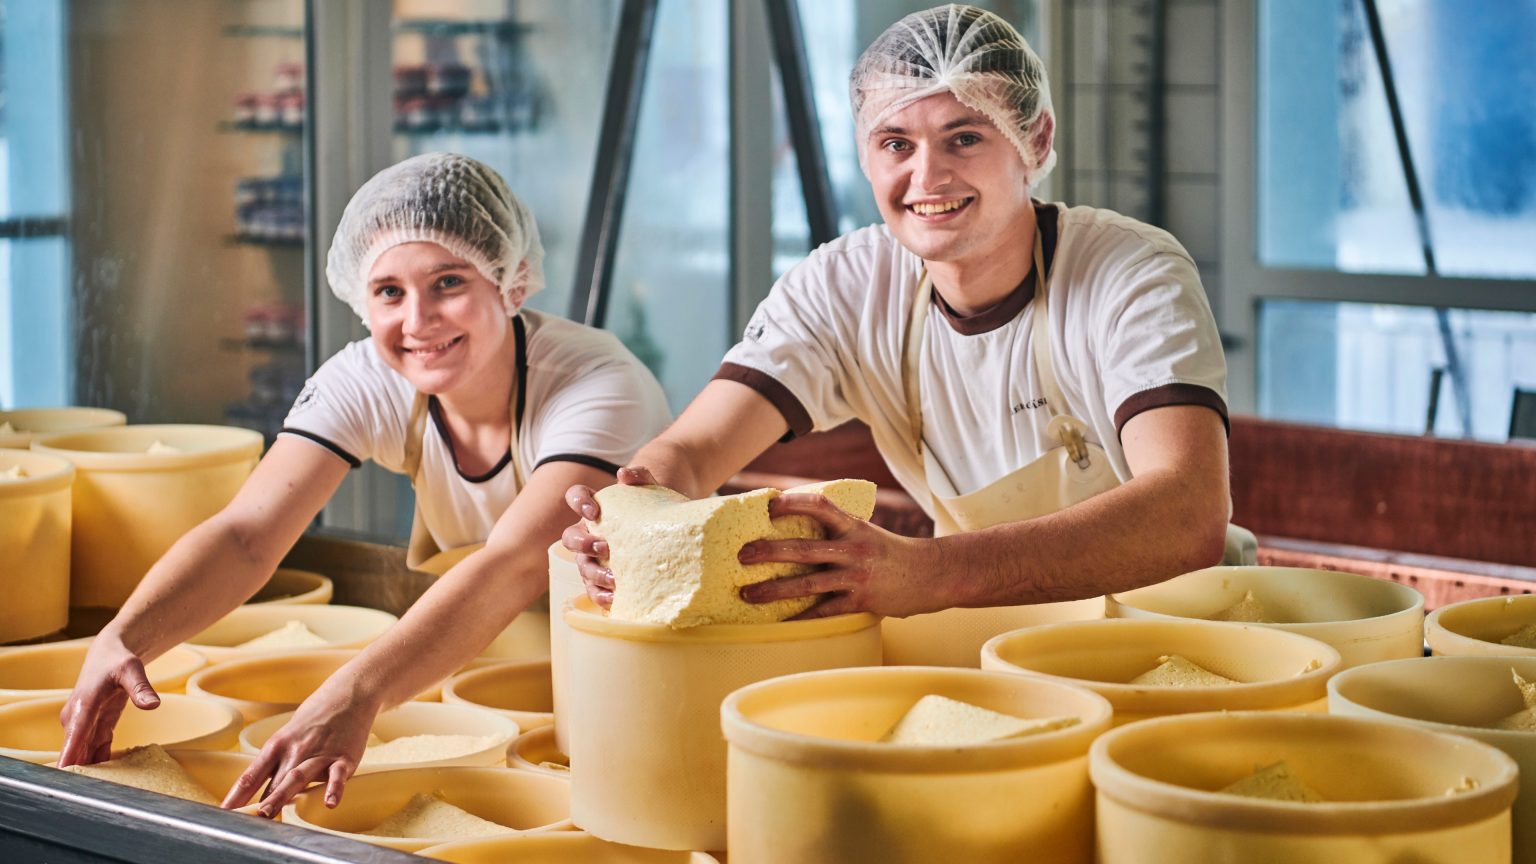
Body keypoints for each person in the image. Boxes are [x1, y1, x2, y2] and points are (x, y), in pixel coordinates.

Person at [564, 5, 1236, 665]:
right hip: (986, 641)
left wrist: (930, 572)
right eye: (896, 144)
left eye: (964, 137)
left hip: (1178, 644)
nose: (927, 176)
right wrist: (632, 516)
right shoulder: (847, 284)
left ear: (1034, 141)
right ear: (866, 154)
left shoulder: (1130, 272)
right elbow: (697, 447)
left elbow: (1187, 513)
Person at [58, 152, 671, 815]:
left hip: (640, 674)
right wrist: (124, 638)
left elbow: (516, 561)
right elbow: (246, 536)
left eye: (448, 282)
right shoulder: (372, 377)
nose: (417, 321)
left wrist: (356, 693)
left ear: (511, 281)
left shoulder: (596, 385)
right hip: (484, 662)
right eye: (388, 292)